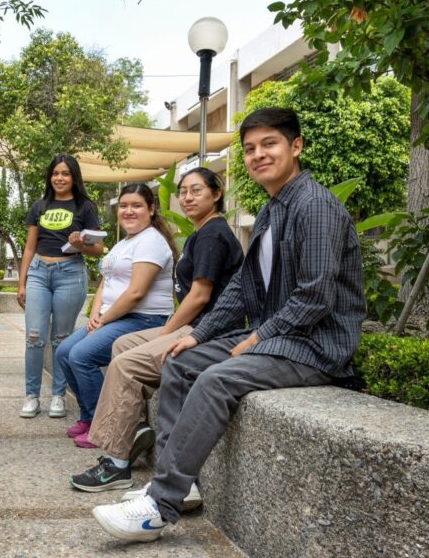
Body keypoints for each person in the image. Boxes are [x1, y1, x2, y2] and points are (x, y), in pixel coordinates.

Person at [91, 107, 365, 542]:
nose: (258, 155)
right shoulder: (274, 209)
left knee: (216, 380)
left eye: (269, 144)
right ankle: (180, 484)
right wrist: (197, 333)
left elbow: (315, 296)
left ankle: (158, 510)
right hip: (278, 337)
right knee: (179, 361)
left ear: (296, 146)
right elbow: (239, 287)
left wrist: (258, 337)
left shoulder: (314, 206)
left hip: (313, 346)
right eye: (250, 148)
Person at [69, 167, 243, 493]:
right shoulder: (202, 232)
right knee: (122, 344)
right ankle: (130, 429)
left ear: (216, 194)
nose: (188, 198)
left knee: (125, 363)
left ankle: (117, 465)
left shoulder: (213, 235)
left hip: (207, 331)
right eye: (184, 192)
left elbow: (200, 297)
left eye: (197, 191)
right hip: (193, 324)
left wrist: (166, 331)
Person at [56, 183, 177, 440]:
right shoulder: (125, 242)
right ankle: (90, 417)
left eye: (136, 206)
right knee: (64, 352)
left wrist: (103, 320)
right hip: (113, 318)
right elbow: (106, 280)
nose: (128, 211)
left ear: (151, 209)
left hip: (143, 319)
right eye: (123, 206)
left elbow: (136, 293)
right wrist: (94, 314)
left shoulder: (151, 241)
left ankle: (106, 427)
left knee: (80, 356)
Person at [17, 154, 103, 419]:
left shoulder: (85, 206)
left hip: (70, 273)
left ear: (74, 177)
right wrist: (22, 283)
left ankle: (58, 396)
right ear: (49, 176)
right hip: (39, 272)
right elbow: (30, 246)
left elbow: (97, 249)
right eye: (55, 173)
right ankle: (31, 396)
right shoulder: (39, 205)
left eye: (65, 173)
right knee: (34, 337)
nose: (60, 178)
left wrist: (81, 245)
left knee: (61, 339)